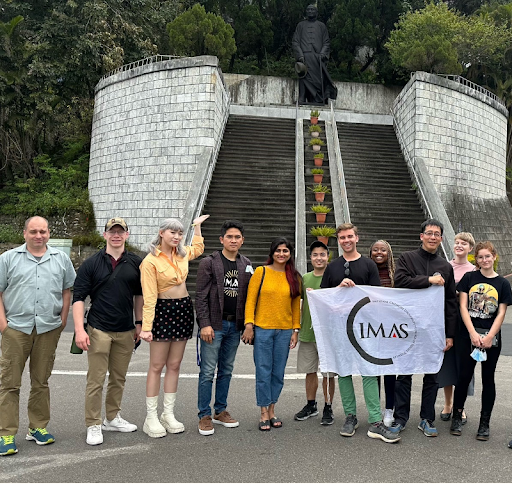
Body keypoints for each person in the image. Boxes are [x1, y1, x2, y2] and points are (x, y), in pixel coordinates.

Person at [0, 216, 75, 456]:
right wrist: (4, 326)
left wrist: (63, 319)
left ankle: (37, 427)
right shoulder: (8, 259)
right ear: (24, 234)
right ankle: (6, 433)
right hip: (16, 329)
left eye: (42, 231)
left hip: (47, 328)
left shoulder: (61, 259)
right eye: (33, 231)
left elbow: (67, 290)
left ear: (49, 233)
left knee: (41, 381)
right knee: (9, 383)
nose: (38, 235)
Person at [321, 223, 400, 443]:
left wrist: (355, 290)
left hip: (365, 328)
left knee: (369, 371)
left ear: (357, 238)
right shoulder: (332, 266)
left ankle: (375, 421)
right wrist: (338, 290)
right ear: (338, 240)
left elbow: (374, 296)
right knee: (344, 371)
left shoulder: (368, 265)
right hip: (340, 327)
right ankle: (350, 416)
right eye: (342, 238)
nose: (346, 240)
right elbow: (324, 297)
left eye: (349, 236)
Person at [73, 217, 143, 446]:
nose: (116, 235)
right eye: (111, 231)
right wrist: (78, 331)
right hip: (98, 328)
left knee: (118, 378)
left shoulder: (135, 262)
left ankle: (112, 418)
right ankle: (93, 423)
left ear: (127, 234)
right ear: (104, 235)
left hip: (125, 330)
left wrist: (140, 323)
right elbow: (78, 298)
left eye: (120, 231)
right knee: (95, 380)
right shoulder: (91, 263)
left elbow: (139, 295)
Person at [139, 215, 208, 438]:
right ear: (161, 233)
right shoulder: (150, 261)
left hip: (183, 308)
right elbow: (149, 297)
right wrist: (146, 327)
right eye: (172, 232)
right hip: (162, 310)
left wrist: (197, 227)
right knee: (156, 365)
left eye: (180, 233)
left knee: (175, 364)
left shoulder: (182, 253)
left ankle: (167, 413)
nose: (177, 236)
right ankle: (151, 416)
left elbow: (197, 247)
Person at [390, 219, 457, 437]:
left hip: (434, 330)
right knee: (404, 375)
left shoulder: (446, 267)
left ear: (441, 239)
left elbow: (450, 302)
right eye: (429, 233)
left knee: (433, 376)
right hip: (408, 327)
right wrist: (428, 280)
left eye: (437, 234)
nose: (432, 237)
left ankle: (427, 418)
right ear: (421, 236)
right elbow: (400, 281)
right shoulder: (407, 258)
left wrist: (450, 334)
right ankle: (400, 418)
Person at [195, 220, 253, 436]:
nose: (233, 240)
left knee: (226, 371)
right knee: (208, 372)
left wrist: (248, 324)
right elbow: (200, 296)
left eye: (237, 237)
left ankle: (220, 411)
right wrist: (205, 324)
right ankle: (204, 414)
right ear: (221, 239)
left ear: (242, 240)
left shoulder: (246, 264)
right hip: (214, 326)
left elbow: (249, 297)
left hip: (234, 326)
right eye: (229, 236)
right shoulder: (209, 263)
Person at [450, 241, 511, 441]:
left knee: (488, 379)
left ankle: (484, 423)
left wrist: (490, 336)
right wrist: (472, 334)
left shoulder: (502, 283)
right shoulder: (469, 278)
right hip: (468, 335)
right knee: (464, 377)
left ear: (494, 257)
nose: (484, 260)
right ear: (476, 260)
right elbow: (463, 307)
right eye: (480, 257)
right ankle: (457, 416)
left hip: (491, 337)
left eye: (488, 256)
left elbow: (501, 312)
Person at [242, 237, 301, 431]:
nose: (281, 254)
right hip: (263, 329)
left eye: (285, 251)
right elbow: (250, 300)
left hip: (284, 331)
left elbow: (295, 305)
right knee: (263, 371)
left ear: (290, 253)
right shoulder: (261, 272)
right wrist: (249, 325)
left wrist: (295, 330)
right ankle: (263, 412)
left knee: (278, 373)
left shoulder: (293, 276)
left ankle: (273, 408)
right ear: (272, 253)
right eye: (278, 250)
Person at [294, 240, 336, 425]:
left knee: (328, 373)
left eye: (322, 254)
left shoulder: (335, 277)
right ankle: (311, 405)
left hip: (329, 333)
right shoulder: (304, 278)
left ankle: (328, 406)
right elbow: (297, 305)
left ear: (328, 257)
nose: (319, 258)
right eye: (315, 255)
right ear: (310, 258)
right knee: (309, 371)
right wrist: (296, 330)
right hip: (308, 333)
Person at [439, 232, 476, 424]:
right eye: (457, 242)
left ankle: (460, 407)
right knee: (447, 364)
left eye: (464, 243)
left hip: (466, 323)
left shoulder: (474, 271)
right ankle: (447, 404)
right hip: (446, 321)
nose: (459, 245)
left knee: (464, 366)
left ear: (470, 248)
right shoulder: (445, 266)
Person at [369, 240, 396, 428]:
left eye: (383, 250)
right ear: (370, 253)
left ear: (389, 253)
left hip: (391, 328)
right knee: (374, 370)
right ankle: (375, 408)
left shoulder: (396, 272)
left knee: (390, 370)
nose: (379, 253)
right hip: (370, 327)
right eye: (375, 250)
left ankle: (390, 409)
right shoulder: (366, 271)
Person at [292, 4, 338, 104]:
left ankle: (318, 98)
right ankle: (302, 97)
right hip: (304, 57)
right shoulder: (300, 25)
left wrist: (322, 54)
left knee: (319, 80)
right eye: (308, 10)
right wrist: (300, 55)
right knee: (303, 76)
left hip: (317, 58)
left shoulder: (322, 26)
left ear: (316, 12)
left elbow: (326, 42)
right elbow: (295, 41)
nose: (310, 11)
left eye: (312, 10)